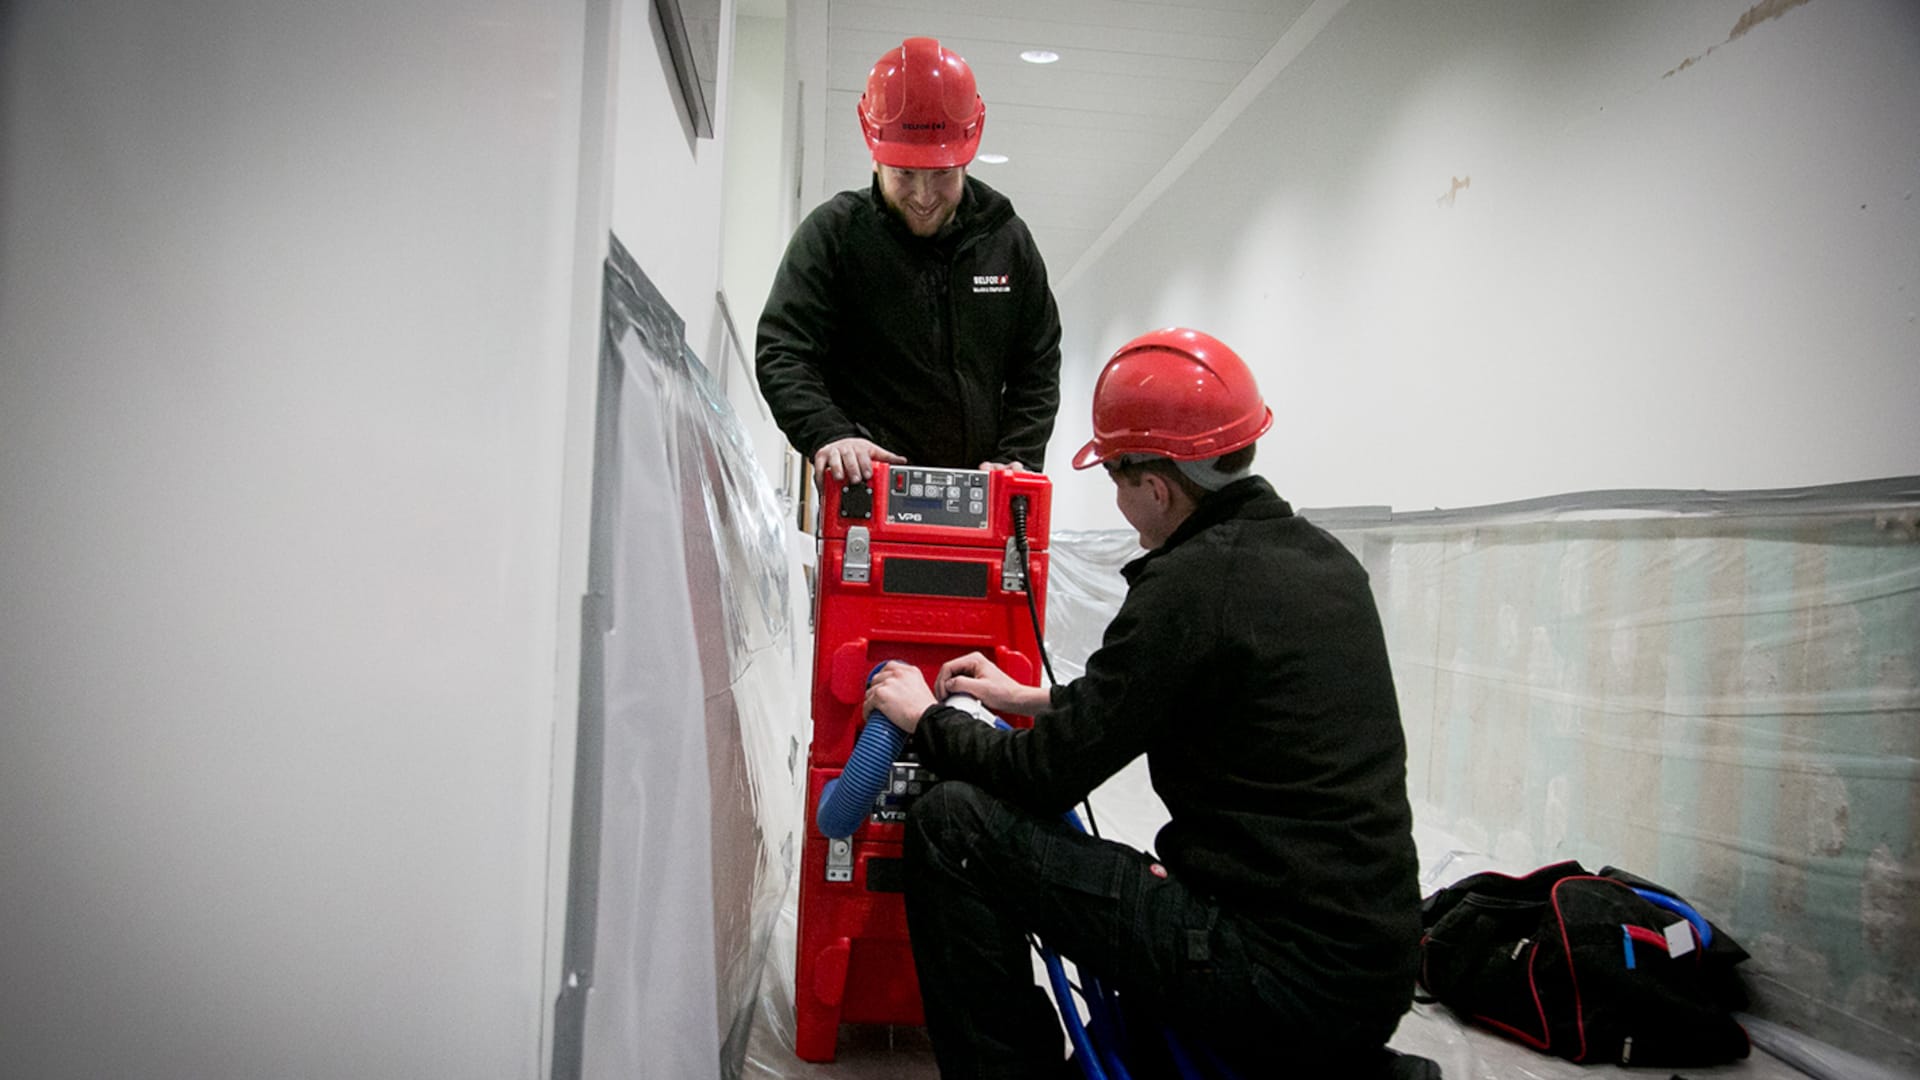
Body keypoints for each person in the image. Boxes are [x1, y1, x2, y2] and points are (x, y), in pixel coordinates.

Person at [863, 328, 1431, 1078]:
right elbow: (1200, 696)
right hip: (1368, 971)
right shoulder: (1325, 563)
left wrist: (923, 718)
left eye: (1117, 480)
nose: (1123, 498)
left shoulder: (1190, 584)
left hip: (1269, 972)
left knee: (952, 825)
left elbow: (1042, 778)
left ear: (1155, 487)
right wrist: (1034, 697)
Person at [756, 36, 1062, 485]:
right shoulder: (835, 235)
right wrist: (831, 434)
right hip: (869, 487)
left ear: (967, 153)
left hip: (981, 495)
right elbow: (783, 351)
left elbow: (1037, 364)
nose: (923, 197)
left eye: (942, 174)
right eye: (904, 173)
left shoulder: (1005, 240)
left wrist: (1018, 455)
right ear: (875, 155)